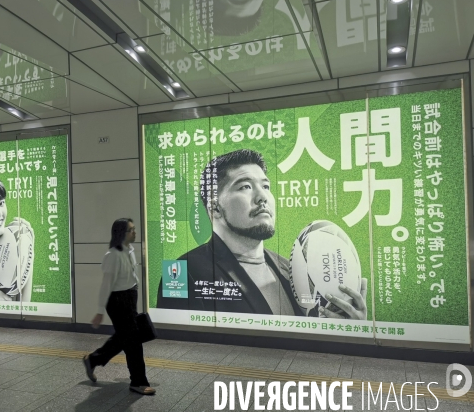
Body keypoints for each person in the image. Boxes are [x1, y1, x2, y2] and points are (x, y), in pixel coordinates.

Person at [157, 149, 368, 320]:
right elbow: (179, 350)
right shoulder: (182, 272)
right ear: (215, 208)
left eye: (266, 186)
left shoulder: (289, 269)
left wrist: (345, 329)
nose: (262, 197)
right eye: (246, 186)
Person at [83, 219, 155, 395]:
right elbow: (106, 285)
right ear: (121, 233)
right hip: (118, 302)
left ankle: (93, 360)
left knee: (123, 338)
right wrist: (100, 311)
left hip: (130, 297)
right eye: (131, 230)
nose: (134, 233)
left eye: (134, 229)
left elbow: (132, 278)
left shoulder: (130, 251)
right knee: (133, 343)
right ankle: (138, 382)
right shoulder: (112, 256)